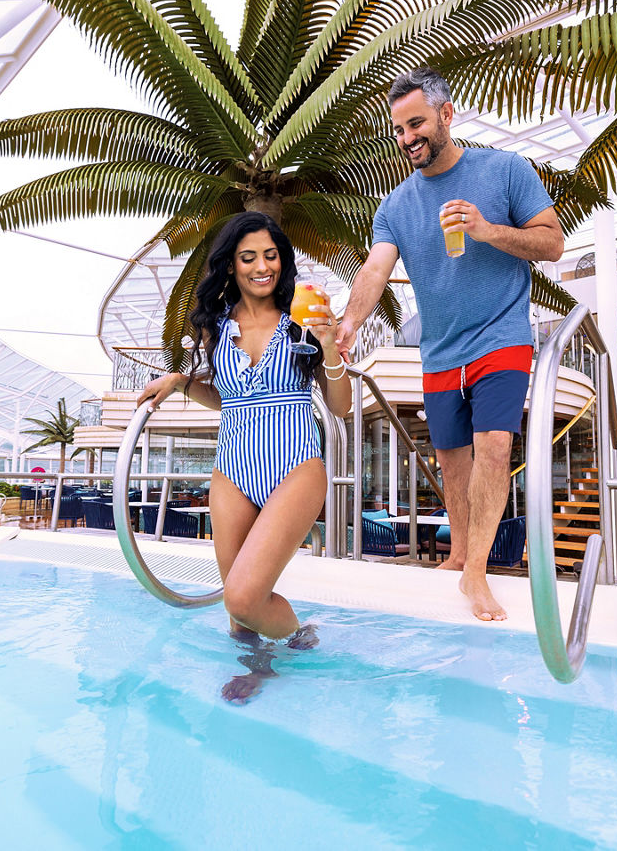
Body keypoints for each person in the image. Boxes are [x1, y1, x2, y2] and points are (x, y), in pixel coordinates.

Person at [335, 67, 565, 622]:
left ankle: (477, 573)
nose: (407, 137)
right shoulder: (395, 207)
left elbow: (552, 242)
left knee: (493, 447)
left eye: (416, 123)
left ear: (446, 114)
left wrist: (487, 229)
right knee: (451, 461)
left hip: (501, 337)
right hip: (439, 353)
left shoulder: (505, 170)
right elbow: (376, 267)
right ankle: (461, 552)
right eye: (398, 128)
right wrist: (349, 322)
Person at [138, 211, 352, 700]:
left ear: (283, 261)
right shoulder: (217, 325)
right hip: (232, 469)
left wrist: (329, 348)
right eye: (248, 257)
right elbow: (228, 396)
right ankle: (261, 666)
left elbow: (339, 408)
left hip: (296, 463)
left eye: (271, 256)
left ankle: (299, 637)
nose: (262, 267)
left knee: (243, 593)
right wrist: (179, 382)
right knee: (238, 613)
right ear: (231, 266)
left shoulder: (302, 320)